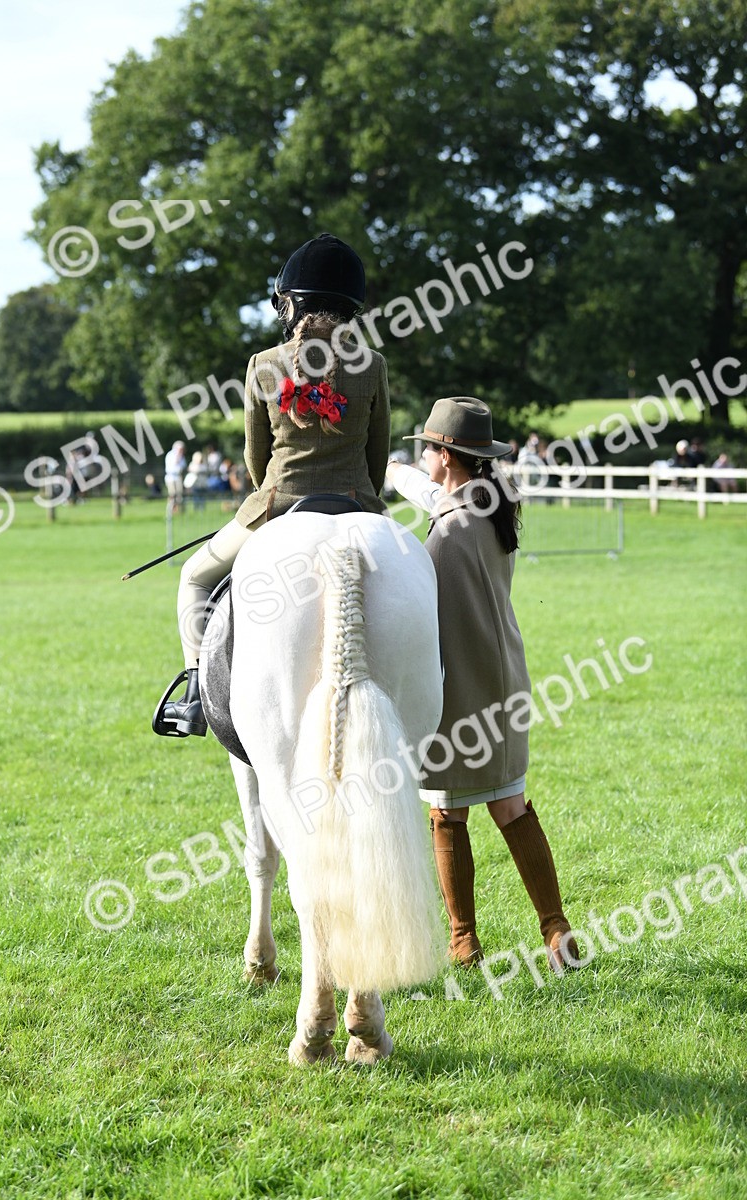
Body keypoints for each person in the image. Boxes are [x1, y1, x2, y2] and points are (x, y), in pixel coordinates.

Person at [154, 232, 391, 737]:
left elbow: (255, 460)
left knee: (195, 577)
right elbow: (378, 457)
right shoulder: (373, 366)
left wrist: (271, 505)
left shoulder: (264, 365)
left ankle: (196, 695)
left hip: (280, 502)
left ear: (292, 304)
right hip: (357, 504)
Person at [386, 397, 579, 972]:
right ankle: (556, 931)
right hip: (506, 676)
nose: (422, 456)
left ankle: (463, 941)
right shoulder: (492, 505)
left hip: (460, 683)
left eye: (428, 448)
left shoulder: (445, 534)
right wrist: (402, 475)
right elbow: (430, 494)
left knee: (447, 811)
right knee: (511, 804)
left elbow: (420, 589)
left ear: (446, 456)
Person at [164, 441, 186, 513]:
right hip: (171, 478)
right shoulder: (170, 455)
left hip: (178, 477)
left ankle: (179, 511)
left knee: (179, 495)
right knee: (172, 495)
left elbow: (183, 466)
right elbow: (173, 464)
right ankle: (170, 511)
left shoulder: (182, 456)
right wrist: (178, 456)